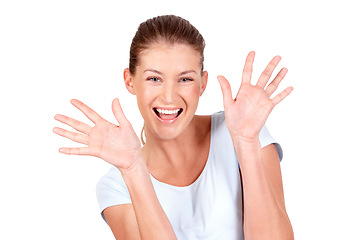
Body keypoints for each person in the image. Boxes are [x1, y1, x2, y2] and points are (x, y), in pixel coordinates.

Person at [53, 15, 294, 240]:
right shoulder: (117, 185)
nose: (169, 97)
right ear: (129, 80)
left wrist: (247, 143)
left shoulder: (243, 130)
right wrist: (134, 169)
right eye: (154, 79)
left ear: (203, 84)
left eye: (185, 79)